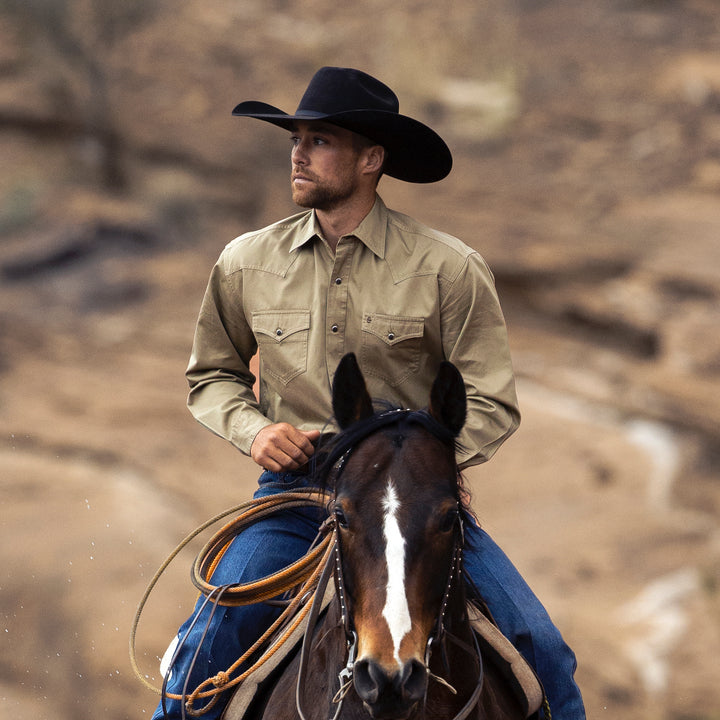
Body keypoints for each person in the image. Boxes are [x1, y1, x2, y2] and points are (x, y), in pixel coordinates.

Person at [153, 66, 585, 720]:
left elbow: (491, 400)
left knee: (546, 650)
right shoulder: (245, 262)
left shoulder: (448, 267)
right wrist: (257, 431)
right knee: (203, 652)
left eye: (320, 139)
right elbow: (212, 376)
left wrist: (424, 471)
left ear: (371, 159)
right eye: (295, 138)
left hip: (415, 508)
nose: (298, 153)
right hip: (296, 497)